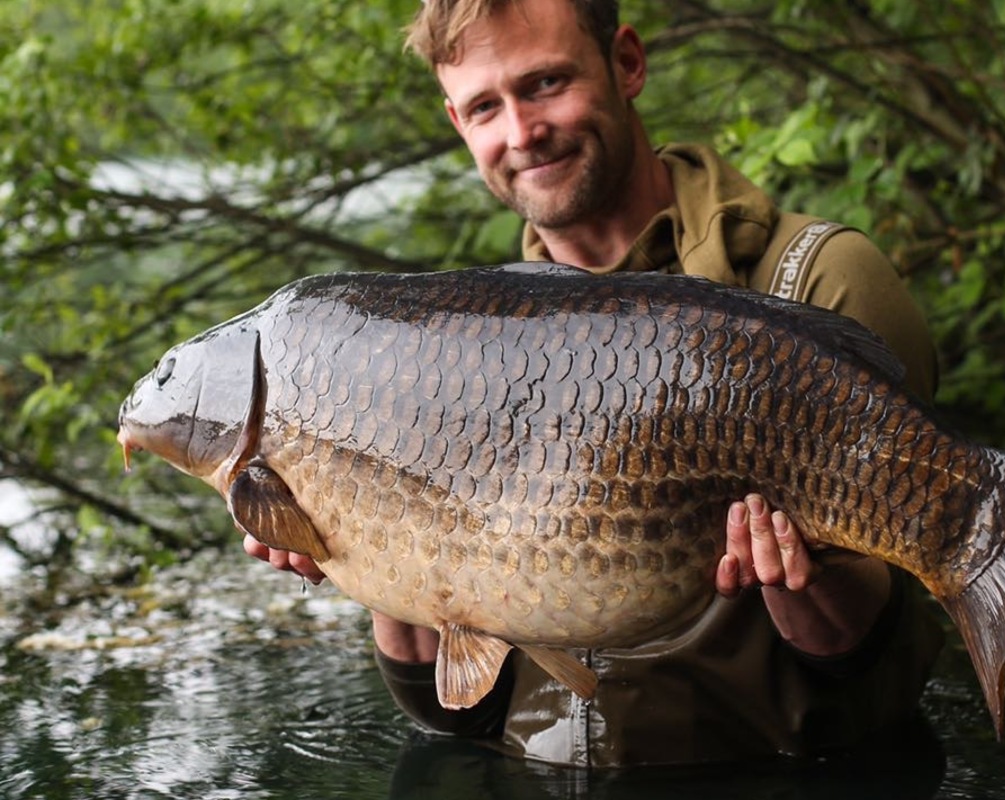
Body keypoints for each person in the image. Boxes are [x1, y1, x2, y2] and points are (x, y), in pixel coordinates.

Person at [245, 0, 944, 768]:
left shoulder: (818, 281)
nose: (520, 131)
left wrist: (808, 580)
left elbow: (885, 667)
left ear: (628, 63)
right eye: (485, 106)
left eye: (545, 82)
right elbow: (453, 722)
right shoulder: (441, 355)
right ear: (457, 122)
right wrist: (362, 550)